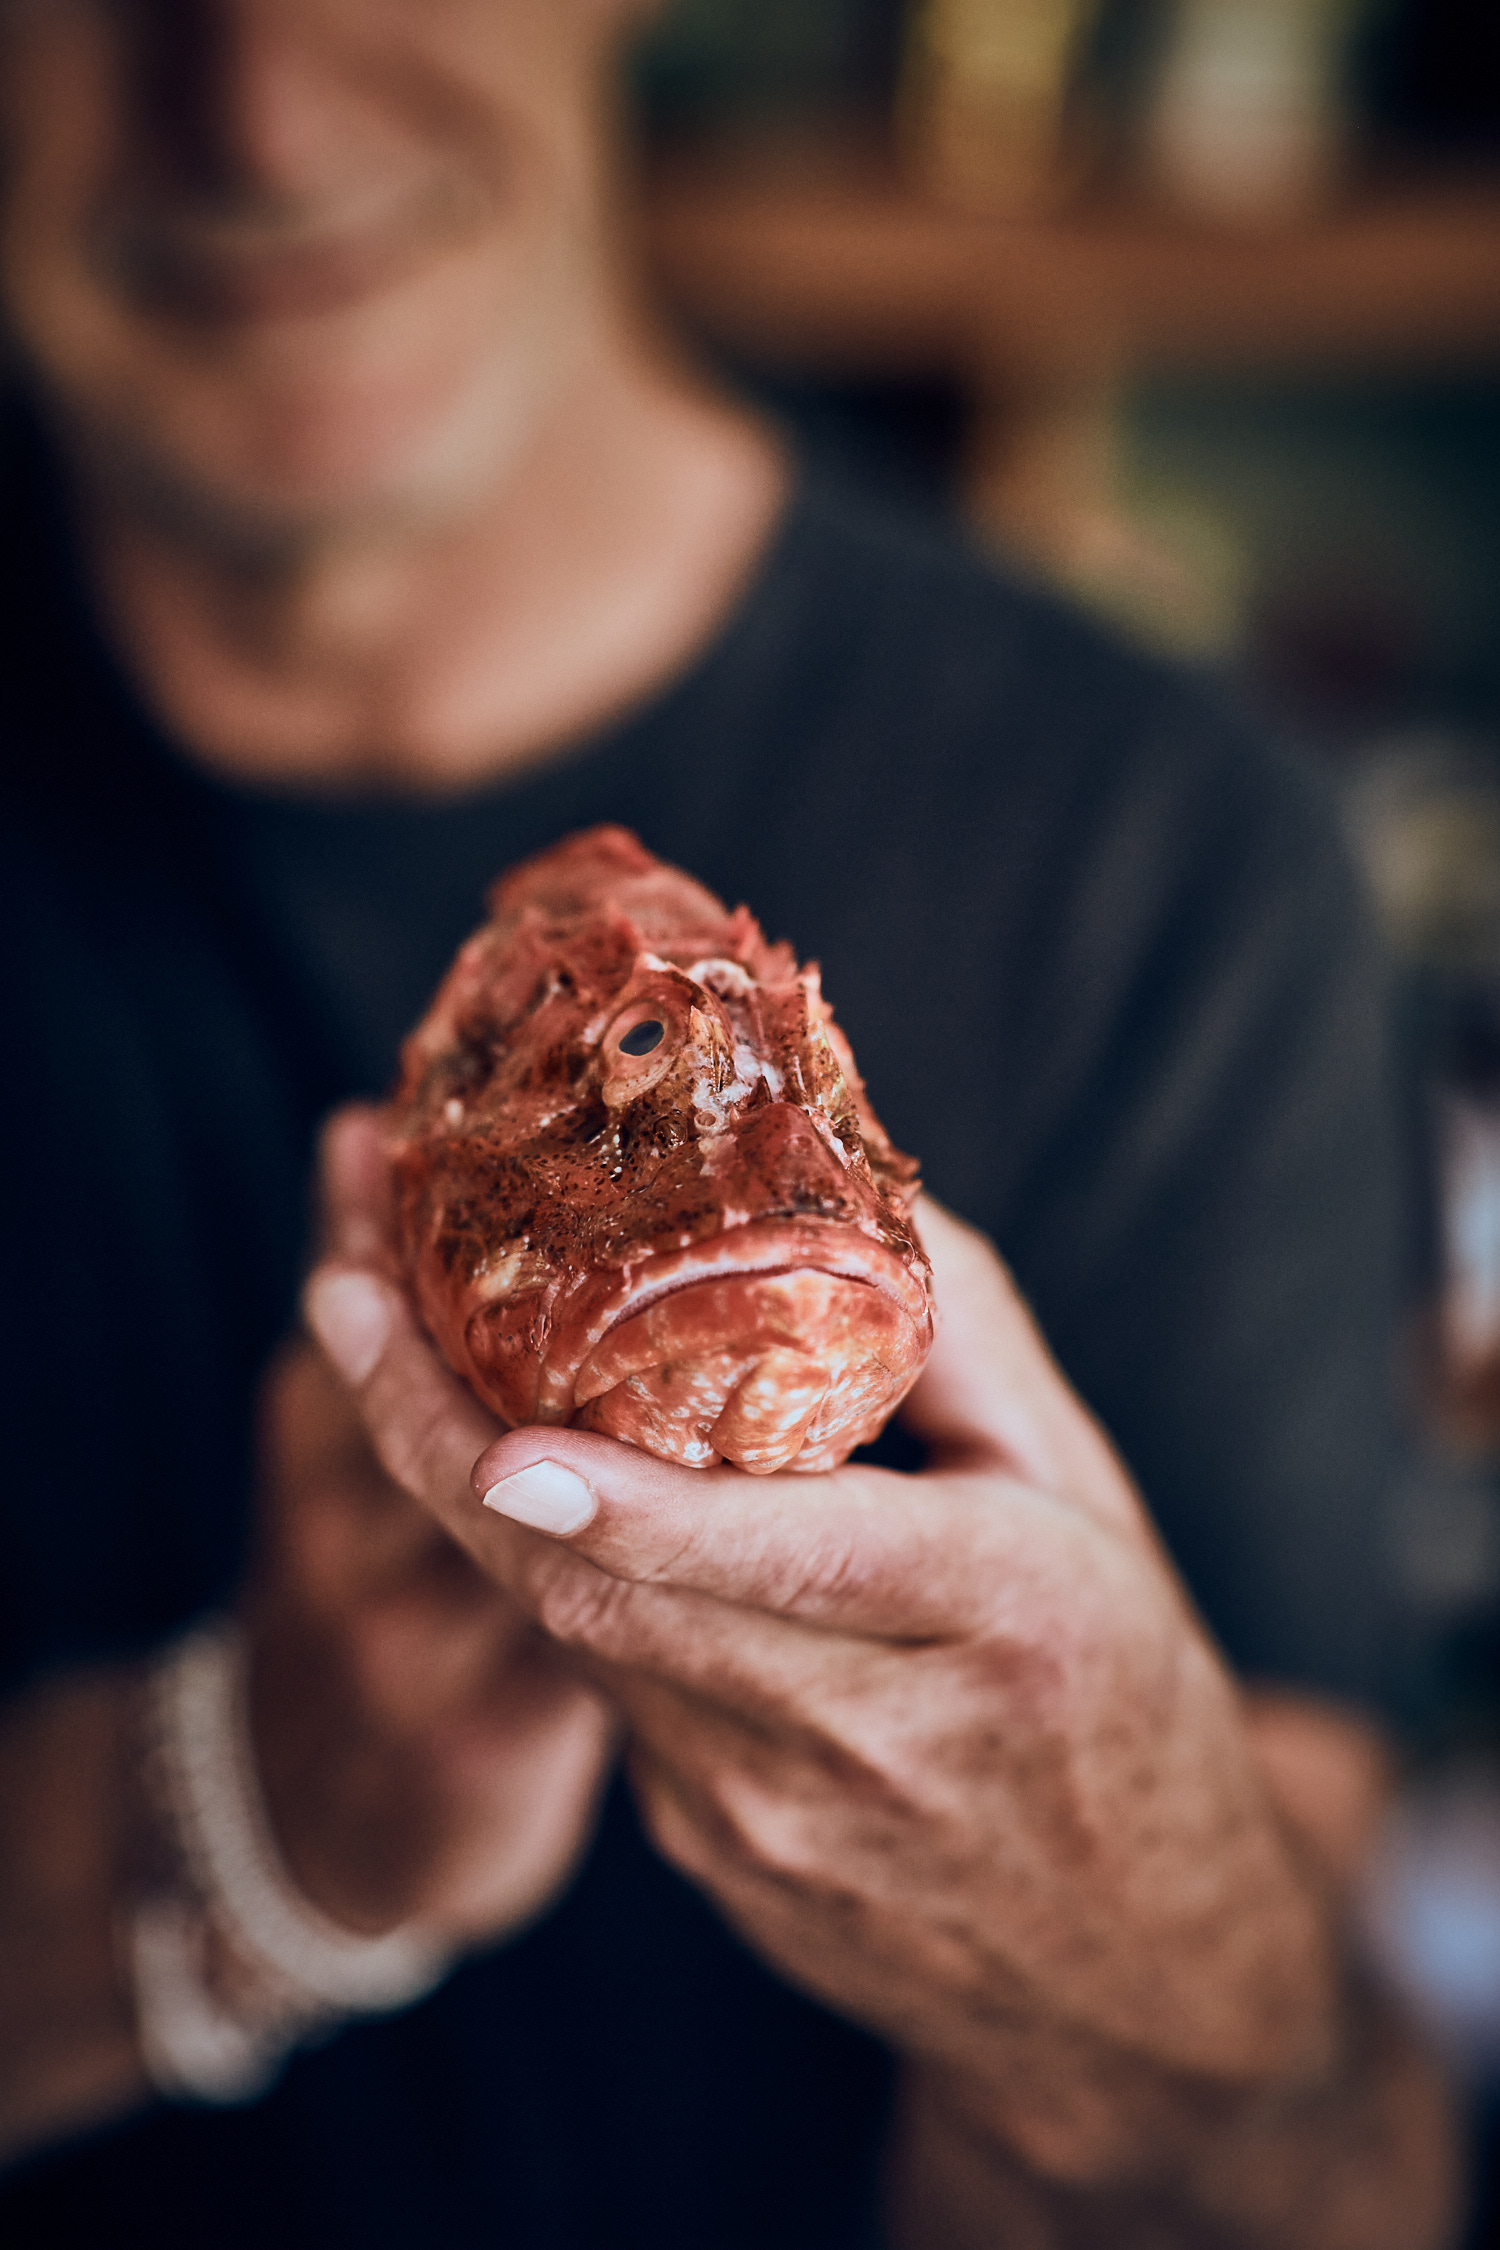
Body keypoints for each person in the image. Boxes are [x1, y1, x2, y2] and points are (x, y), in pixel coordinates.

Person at [0, 1, 1458, 2244]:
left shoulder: (1180, 863)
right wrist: (233, 1828)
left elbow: (1335, 2194)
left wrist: (1150, 1990)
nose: (260, 111)